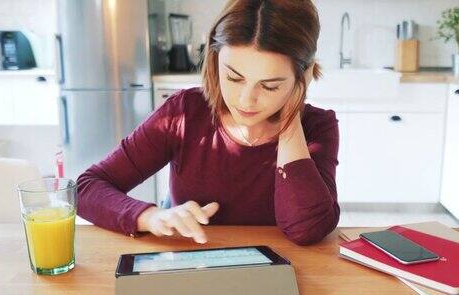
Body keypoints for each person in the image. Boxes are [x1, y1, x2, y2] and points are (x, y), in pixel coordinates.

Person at [77, 0, 340, 246]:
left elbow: (307, 229)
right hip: (194, 269)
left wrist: (291, 115)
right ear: (215, 60)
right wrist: (151, 217)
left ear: (301, 77)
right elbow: (86, 188)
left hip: (281, 274)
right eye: (234, 78)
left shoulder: (317, 127)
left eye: (270, 86)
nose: (246, 100)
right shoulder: (183, 113)